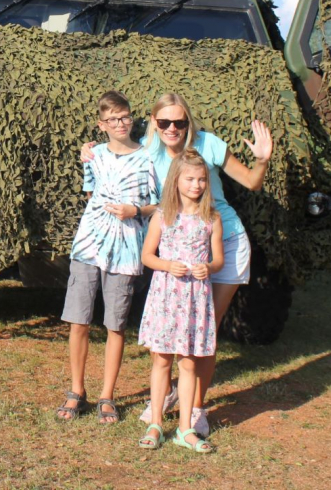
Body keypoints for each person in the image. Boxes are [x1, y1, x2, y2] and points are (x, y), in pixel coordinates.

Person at [56, 91, 158, 424]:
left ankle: (107, 396)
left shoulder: (148, 158)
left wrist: (136, 210)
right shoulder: (94, 155)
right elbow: (89, 192)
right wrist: (87, 155)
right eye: (112, 119)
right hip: (88, 247)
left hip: (127, 251)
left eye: (125, 117)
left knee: (116, 324)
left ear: (132, 119)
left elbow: (159, 203)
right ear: (102, 125)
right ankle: (76, 391)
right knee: (79, 320)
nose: (120, 123)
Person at [137, 149, 224, 452]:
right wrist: (167, 264)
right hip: (166, 296)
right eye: (190, 179)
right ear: (176, 180)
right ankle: (156, 423)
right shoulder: (163, 216)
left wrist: (208, 267)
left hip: (195, 299)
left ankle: (185, 429)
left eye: (201, 179)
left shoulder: (211, 217)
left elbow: (219, 260)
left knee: (188, 363)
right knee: (162, 360)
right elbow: (147, 256)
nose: (196, 185)